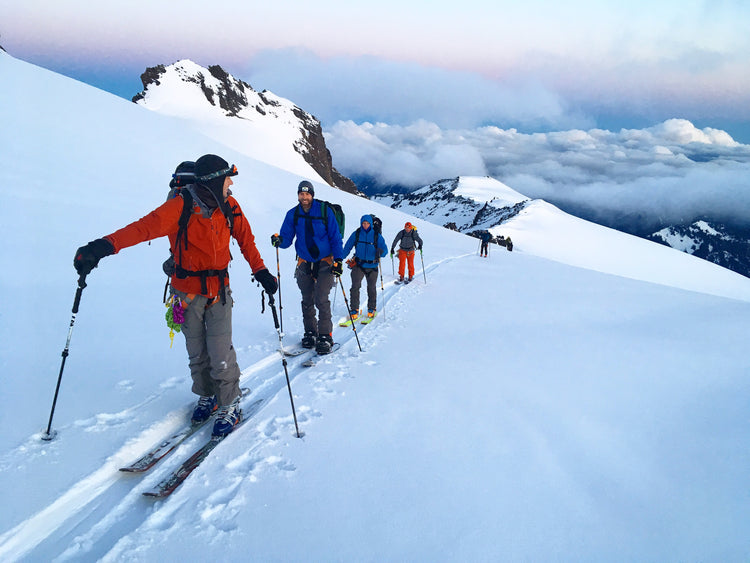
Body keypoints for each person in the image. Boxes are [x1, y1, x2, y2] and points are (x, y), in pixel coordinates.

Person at [73, 154, 278, 437]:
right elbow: (143, 228)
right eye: (228, 177)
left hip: (219, 291)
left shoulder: (230, 205)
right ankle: (207, 395)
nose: (231, 182)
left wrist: (261, 271)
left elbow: (246, 240)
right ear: (214, 181)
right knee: (196, 351)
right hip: (183, 294)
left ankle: (229, 403)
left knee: (220, 352)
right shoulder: (180, 206)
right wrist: (102, 247)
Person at [271, 181, 344, 354]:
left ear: (312, 194)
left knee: (321, 299)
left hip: (325, 261)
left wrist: (338, 260)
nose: (304, 197)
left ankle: (325, 336)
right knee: (307, 299)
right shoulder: (293, 214)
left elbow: (335, 237)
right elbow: (287, 238)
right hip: (304, 262)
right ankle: (310, 332)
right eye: (301, 194)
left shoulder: (324, 211)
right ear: (298, 195)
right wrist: (279, 241)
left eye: (307, 194)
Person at [342, 214, 388, 320]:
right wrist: (339, 258)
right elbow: (348, 246)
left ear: (371, 224)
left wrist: (381, 252)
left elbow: (385, 250)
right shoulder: (357, 234)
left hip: (373, 265)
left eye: (367, 223)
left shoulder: (377, 236)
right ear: (361, 223)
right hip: (359, 265)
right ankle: (354, 309)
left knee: (371, 288)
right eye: (363, 223)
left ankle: (371, 308)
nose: (365, 225)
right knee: (355, 287)